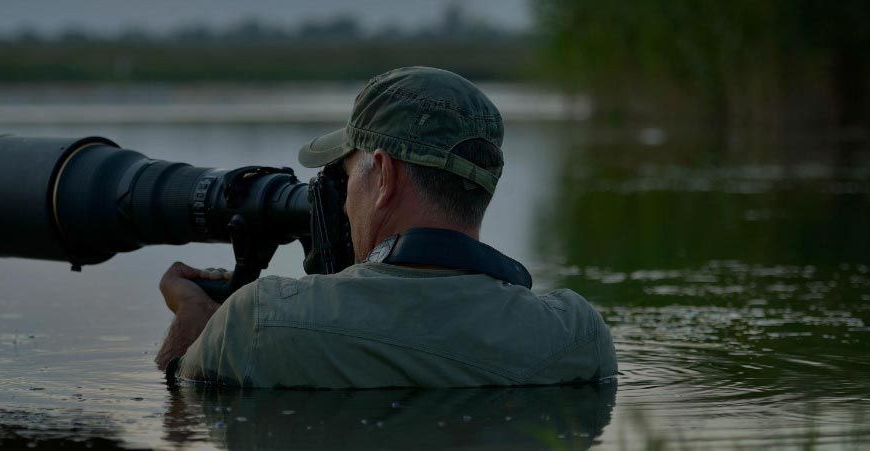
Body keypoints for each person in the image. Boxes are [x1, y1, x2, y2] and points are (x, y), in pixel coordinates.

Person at [154, 66, 617, 388]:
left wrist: (192, 328)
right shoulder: (577, 335)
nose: (341, 197)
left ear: (385, 176)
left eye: (346, 175)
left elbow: (181, 411)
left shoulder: (257, 323)